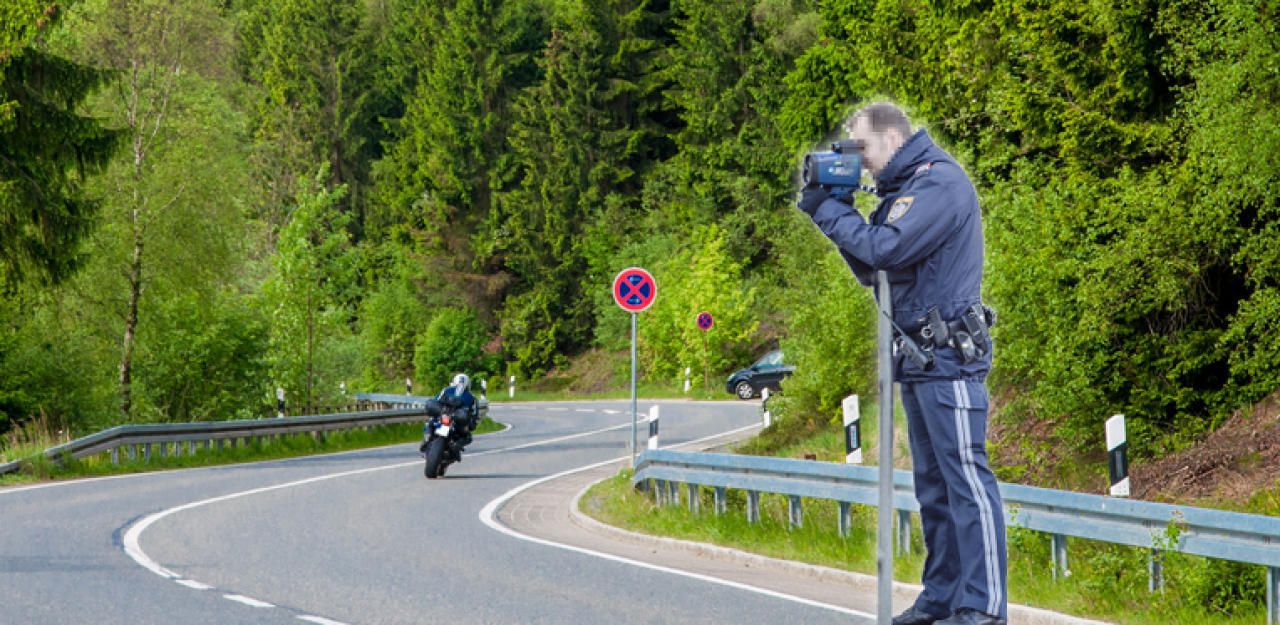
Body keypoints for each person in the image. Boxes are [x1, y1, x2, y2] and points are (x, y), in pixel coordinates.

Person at [797, 102, 1008, 625]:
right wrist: (832, 208)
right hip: (917, 356)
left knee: (966, 483)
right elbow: (875, 268)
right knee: (933, 490)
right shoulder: (903, 191)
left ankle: (983, 607)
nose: (859, 161)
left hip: (949, 357)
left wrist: (830, 210)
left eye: (862, 148)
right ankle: (943, 596)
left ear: (892, 140)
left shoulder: (938, 185)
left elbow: (884, 249)